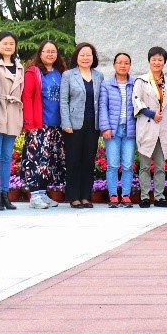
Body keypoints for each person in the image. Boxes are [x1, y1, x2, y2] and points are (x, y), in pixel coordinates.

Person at [22, 40, 67, 210]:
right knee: (36, 160)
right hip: (40, 125)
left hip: (56, 126)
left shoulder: (61, 73)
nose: (50, 54)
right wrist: (29, 123)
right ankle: (34, 195)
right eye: (46, 51)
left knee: (49, 161)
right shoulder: (33, 73)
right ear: (40, 54)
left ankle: (43, 192)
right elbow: (27, 98)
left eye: (53, 51)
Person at [60, 42, 104, 209]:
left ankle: (85, 196)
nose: (85, 58)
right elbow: (63, 101)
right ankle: (74, 197)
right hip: (73, 125)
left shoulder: (99, 76)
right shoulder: (68, 75)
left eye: (88, 55)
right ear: (76, 57)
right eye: (82, 55)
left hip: (93, 125)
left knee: (88, 160)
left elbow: (101, 101)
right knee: (74, 160)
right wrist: (66, 123)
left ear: (93, 58)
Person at [0, 32, 23, 212]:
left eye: (11, 43)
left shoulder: (20, 67)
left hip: (14, 112)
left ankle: (5, 195)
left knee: (7, 157)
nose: (8, 46)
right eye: (5, 43)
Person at [133, 47, 167, 208]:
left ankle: (159, 196)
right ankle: (144, 196)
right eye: (154, 60)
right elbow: (136, 100)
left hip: (163, 128)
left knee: (160, 166)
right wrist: (151, 114)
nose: (157, 62)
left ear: (164, 62)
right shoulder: (141, 81)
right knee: (144, 165)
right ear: (149, 61)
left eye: (160, 60)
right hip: (147, 125)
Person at [99, 52, 137, 206]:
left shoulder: (135, 83)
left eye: (126, 63)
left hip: (130, 130)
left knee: (128, 165)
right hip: (113, 130)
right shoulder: (106, 84)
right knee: (113, 164)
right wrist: (105, 127)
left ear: (130, 65)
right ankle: (113, 195)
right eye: (119, 62)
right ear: (114, 65)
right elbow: (102, 107)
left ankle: (126, 195)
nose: (123, 65)